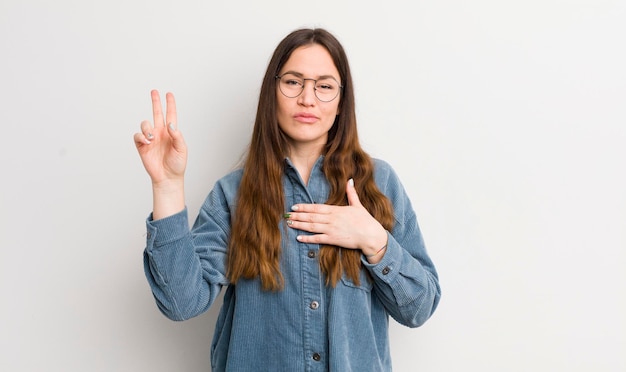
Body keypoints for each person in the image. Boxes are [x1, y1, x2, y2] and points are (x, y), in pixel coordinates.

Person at [133, 28, 441, 371]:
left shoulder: (379, 183)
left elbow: (419, 307)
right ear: (272, 93)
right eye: (293, 82)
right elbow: (182, 303)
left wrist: (375, 241)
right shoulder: (232, 195)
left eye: (324, 86)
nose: (308, 99)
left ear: (341, 102)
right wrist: (167, 186)